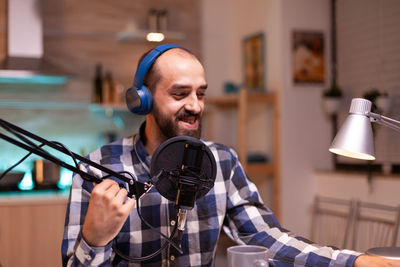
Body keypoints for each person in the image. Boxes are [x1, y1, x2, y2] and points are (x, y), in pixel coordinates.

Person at [61, 44, 400, 267]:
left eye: (201, 93)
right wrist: (94, 238)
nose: (195, 106)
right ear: (142, 101)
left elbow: (266, 237)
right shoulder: (100, 167)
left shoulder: (221, 162)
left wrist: (352, 262)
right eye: (180, 94)